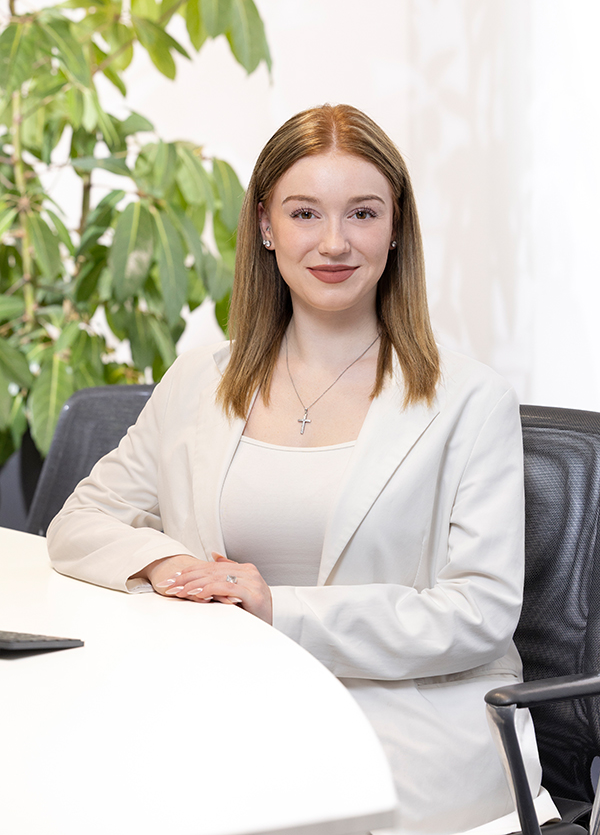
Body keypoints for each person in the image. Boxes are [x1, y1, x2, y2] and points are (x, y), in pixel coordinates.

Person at [47, 104, 557, 835]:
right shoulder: (199, 381)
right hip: (228, 697)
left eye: (363, 213)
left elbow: (477, 614)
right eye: (304, 213)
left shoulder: (469, 400)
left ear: (395, 228)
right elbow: (81, 523)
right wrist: (167, 564)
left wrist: (276, 610)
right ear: (265, 226)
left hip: (401, 721)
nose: (334, 242)